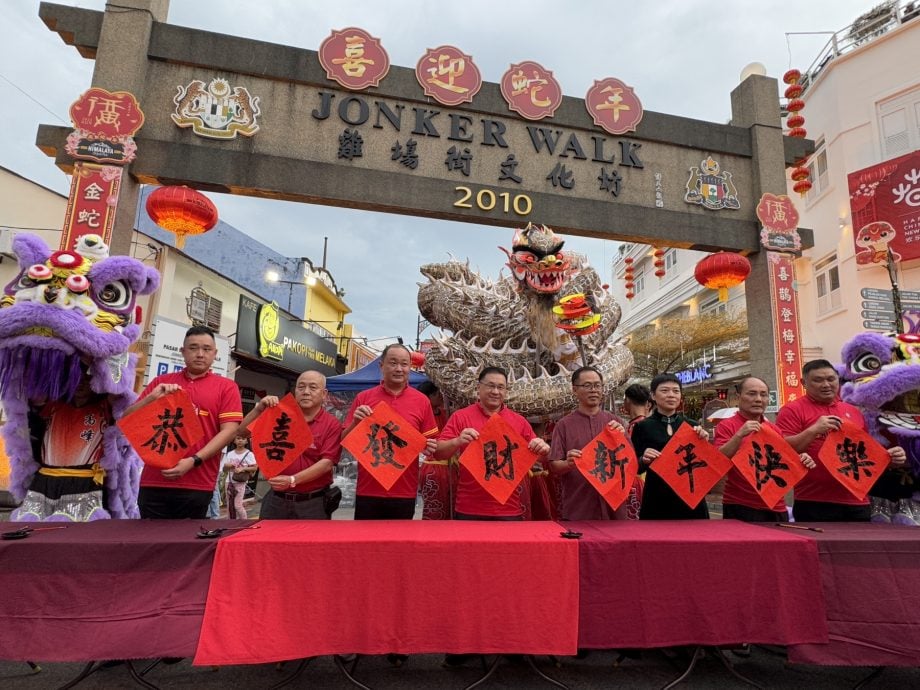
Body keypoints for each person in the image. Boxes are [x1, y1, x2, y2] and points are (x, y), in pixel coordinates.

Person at [128, 326, 243, 520]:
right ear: (182, 351)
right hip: (154, 480)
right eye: (193, 348)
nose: (200, 354)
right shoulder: (161, 382)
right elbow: (127, 420)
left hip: (198, 482)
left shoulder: (226, 387)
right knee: (149, 542)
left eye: (206, 349)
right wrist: (152, 398)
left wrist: (193, 461)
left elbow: (230, 432)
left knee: (186, 544)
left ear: (215, 354)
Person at [776, 359, 906, 522]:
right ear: (804, 383)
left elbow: (865, 453)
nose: (826, 384)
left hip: (857, 499)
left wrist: (889, 458)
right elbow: (782, 451)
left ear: (838, 380)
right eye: (818, 380)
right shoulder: (792, 410)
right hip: (814, 500)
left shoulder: (853, 411)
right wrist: (813, 430)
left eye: (831, 379)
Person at [435, 367, 550, 520]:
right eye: (490, 385)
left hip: (509, 508)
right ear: (478, 387)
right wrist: (457, 441)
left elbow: (539, 459)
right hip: (468, 507)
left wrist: (543, 449)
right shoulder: (461, 417)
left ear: (506, 391)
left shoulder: (519, 422)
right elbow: (438, 452)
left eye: (500, 387)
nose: (495, 391)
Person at [342, 344, 438, 520]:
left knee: (400, 545)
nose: (399, 369)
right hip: (368, 489)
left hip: (405, 490)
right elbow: (345, 441)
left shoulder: (422, 401)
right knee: (366, 543)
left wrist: (429, 446)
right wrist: (356, 423)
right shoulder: (364, 398)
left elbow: (431, 443)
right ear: (381, 366)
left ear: (410, 367)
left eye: (404, 364)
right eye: (393, 363)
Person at [12, 371, 115, 521]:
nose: (81, 383)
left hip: (83, 483)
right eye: (77, 379)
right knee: (34, 529)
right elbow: (31, 391)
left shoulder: (104, 407)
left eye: (87, 379)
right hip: (46, 481)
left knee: (75, 534)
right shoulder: (53, 404)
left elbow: (119, 394)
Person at [243, 371, 343, 520]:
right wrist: (259, 409)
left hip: (312, 503)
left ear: (324, 394)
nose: (306, 392)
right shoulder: (279, 415)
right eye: (301, 387)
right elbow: (241, 433)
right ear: (295, 390)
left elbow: (327, 463)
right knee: (267, 541)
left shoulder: (332, 424)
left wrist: (292, 480)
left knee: (309, 543)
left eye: (313, 387)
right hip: (276, 499)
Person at [715, 376, 815, 522]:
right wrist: (739, 436)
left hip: (777, 506)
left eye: (763, 394)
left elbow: (783, 462)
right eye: (751, 393)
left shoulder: (773, 429)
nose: (758, 399)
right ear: (738, 397)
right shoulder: (727, 426)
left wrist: (802, 459)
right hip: (740, 504)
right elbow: (718, 460)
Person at [548, 366, 629, 520]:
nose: (594, 390)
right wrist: (568, 463)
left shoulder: (615, 422)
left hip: (614, 507)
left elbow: (630, 463)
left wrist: (623, 438)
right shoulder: (564, 425)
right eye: (587, 385)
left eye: (597, 385)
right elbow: (554, 466)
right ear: (574, 389)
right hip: (579, 506)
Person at [632, 373, 711, 520]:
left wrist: (704, 443)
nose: (671, 395)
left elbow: (706, 465)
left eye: (676, 391)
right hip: (657, 496)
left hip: (691, 495)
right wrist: (644, 459)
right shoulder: (642, 427)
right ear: (653, 396)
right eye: (664, 390)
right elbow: (634, 467)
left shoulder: (693, 426)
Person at [418, 381, 454, 519]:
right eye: (435, 394)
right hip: (432, 466)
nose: (439, 396)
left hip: (449, 465)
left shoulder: (447, 413)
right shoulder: (422, 415)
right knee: (434, 509)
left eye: (439, 392)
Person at [222, 432, 258, 519]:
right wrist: (227, 466)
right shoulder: (230, 454)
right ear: (234, 441)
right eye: (238, 438)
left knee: (237, 505)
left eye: (243, 439)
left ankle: (245, 522)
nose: (240, 440)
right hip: (229, 481)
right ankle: (231, 523)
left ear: (246, 441)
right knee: (229, 506)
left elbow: (255, 468)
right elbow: (224, 470)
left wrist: (243, 469)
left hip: (241, 482)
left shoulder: (249, 454)